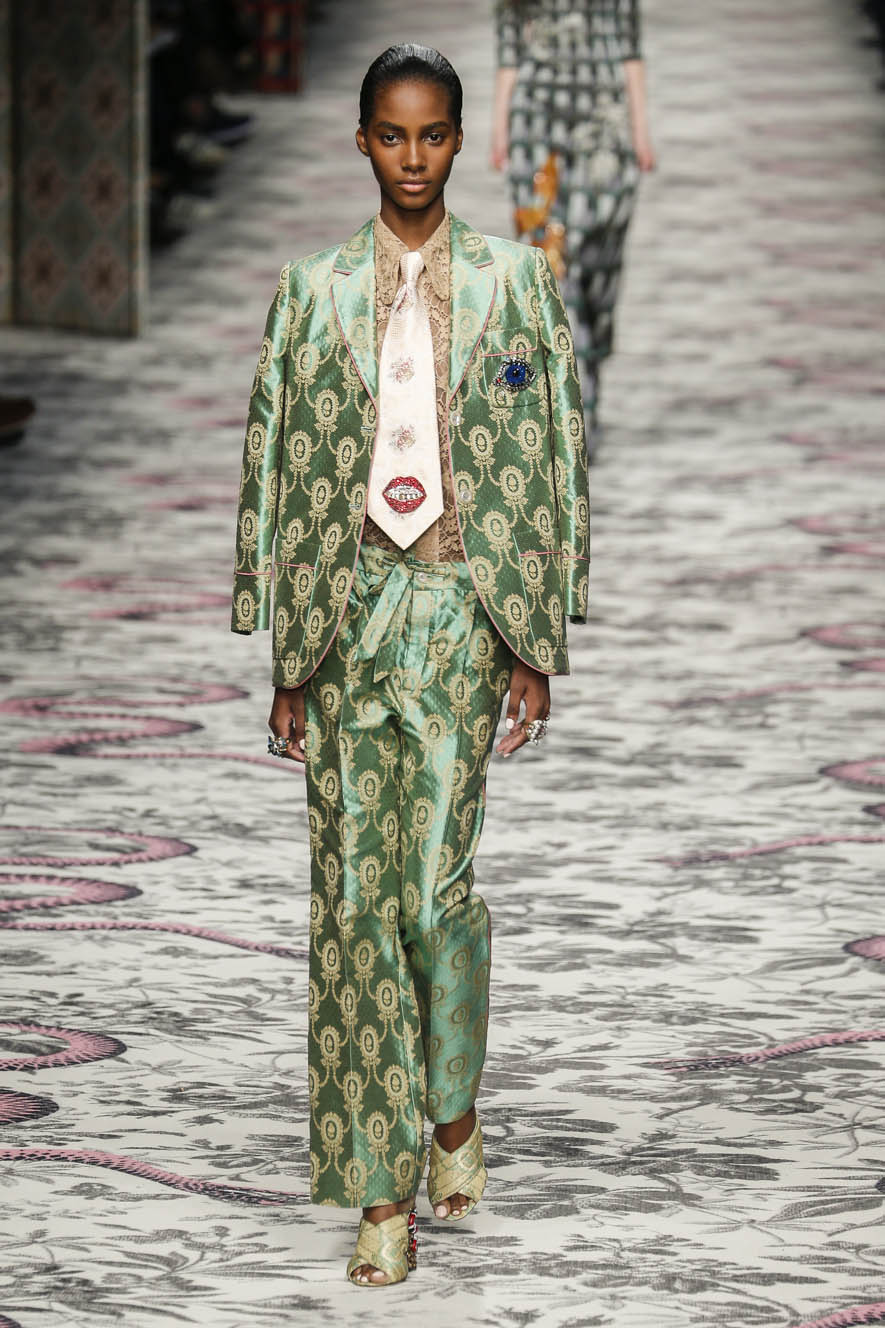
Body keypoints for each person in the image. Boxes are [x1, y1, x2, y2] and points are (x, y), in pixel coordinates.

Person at [231, 43, 589, 1287]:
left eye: (434, 134)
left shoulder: (516, 285)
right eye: (392, 134)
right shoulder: (312, 291)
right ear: (362, 141)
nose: (415, 157)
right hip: (346, 615)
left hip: (457, 610)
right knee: (350, 904)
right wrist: (284, 650)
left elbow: (554, 451)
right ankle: (381, 1192)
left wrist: (538, 638)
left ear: (457, 141)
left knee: (433, 893)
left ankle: (451, 1100)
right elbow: (274, 457)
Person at [491, 0, 656, 452]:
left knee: (598, 269)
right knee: (554, 266)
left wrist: (640, 132)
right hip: (535, 123)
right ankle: (571, 410)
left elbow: (630, 48)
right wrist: (500, 129)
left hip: (604, 125)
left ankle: (591, 363)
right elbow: (509, 50)